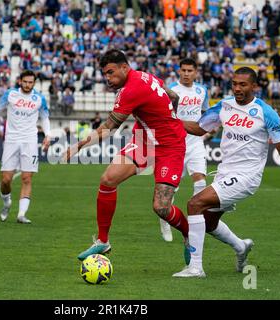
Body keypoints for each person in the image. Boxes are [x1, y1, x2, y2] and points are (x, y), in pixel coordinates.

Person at [173, 67, 280, 278]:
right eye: (235, 84)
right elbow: (200, 128)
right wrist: (171, 120)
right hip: (224, 173)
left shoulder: (267, 113)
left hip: (247, 177)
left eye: (243, 84)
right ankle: (240, 246)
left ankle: (196, 267)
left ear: (254, 86)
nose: (237, 88)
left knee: (195, 204)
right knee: (209, 224)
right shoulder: (225, 105)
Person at [63, 49, 189, 262]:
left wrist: (78, 146)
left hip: (170, 146)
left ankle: (188, 236)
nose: (108, 79)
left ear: (124, 67)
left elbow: (110, 127)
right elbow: (173, 96)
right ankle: (103, 241)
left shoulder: (131, 89)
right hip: (145, 141)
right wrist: (161, 119)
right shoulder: (145, 75)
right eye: (105, 74)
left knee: (161, 208)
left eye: (111, 73)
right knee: (108, 180)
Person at [0, 70, 51, 224]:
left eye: (30, 82)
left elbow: (45, 118)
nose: (27, 84)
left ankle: (21, 214)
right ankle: (6, 203)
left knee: (27, 178)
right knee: (6, 179)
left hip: (30, 140)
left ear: (34, 83)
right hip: (11, 139)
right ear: (20, 81)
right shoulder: (10, 94)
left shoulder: (39, 98)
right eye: (25, 81)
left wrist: (48, 134)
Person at [159, 58, 210, 242]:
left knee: (200, 180)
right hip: (176, 144)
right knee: (170, 189)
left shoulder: (202, 90)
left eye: (190, 70)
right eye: (184, 70)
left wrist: (208, 127)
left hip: (196, 142)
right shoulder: (172, 90)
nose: (187, 73)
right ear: (179, 71)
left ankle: (196, 220)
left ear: (196, 72)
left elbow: (206, 112)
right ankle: (164, 219)